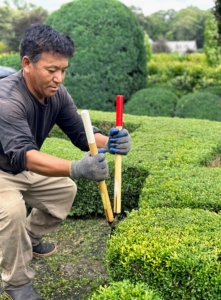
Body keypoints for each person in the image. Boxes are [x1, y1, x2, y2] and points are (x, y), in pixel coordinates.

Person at [0, 23, 131, 300]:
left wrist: (113, 142)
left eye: (63, 70)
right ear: (27, 63)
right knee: (11, 211)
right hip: (5, 168)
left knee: (64, 190)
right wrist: (76, 167)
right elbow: (25, 154)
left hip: (22, 167)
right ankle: (17, 283)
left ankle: (30, 241)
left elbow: (82, 133)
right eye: (51, 70)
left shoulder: (57, 94)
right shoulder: (7, 100)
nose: (59, 78)